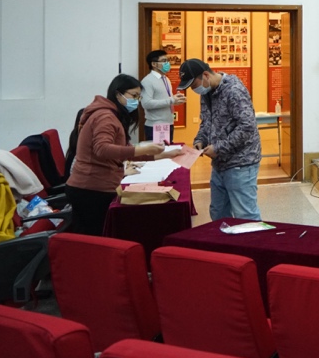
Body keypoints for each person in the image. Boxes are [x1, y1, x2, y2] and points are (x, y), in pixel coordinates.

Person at [65, 74, 164, 235]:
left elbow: (123, 149)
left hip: (97, 186)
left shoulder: (112, 115)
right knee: (94, 239)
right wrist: (142, 150)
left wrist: (163, 155)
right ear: (118, 94)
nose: (136, 101)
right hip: (91, 189)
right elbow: (102, 149)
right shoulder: (105, 116)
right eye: (133, 96)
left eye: (139, 97)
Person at [178, 58, 263, 220]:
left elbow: (247, 126)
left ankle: (254, 237)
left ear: (205, 75)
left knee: (245, 215)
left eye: (194, 85)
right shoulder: (207, 93)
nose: (193, 90)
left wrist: (218, 148)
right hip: (219, 164)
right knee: (218, 212)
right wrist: (200, 140)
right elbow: (207, 122)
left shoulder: (234, 91)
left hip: (241, 163)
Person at [140, 49, 186, 141]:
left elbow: (165, 100)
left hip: (168, 123)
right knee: (159, 150)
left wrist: (176, 100)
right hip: (156, 125)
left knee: (168, 149)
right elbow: (146, 103)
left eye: (168, 60)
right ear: (154, 64)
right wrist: (171, 100)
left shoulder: (165, 79)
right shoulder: (148, 81)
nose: (167, 63)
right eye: (164, 61)